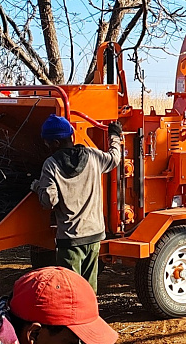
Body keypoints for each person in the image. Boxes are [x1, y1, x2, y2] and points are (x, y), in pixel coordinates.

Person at [31, 115, 122, 292]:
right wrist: (115, 136)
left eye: (47, 143)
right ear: (71, 136)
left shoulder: (51, 165)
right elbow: (114, 158)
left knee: (70, 292)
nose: (46, 146)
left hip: (70, 240)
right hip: (94, 235)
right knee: (88, 291)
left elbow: (49, 201)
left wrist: (37, 187)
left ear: (55, 143)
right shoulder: (93, 156)